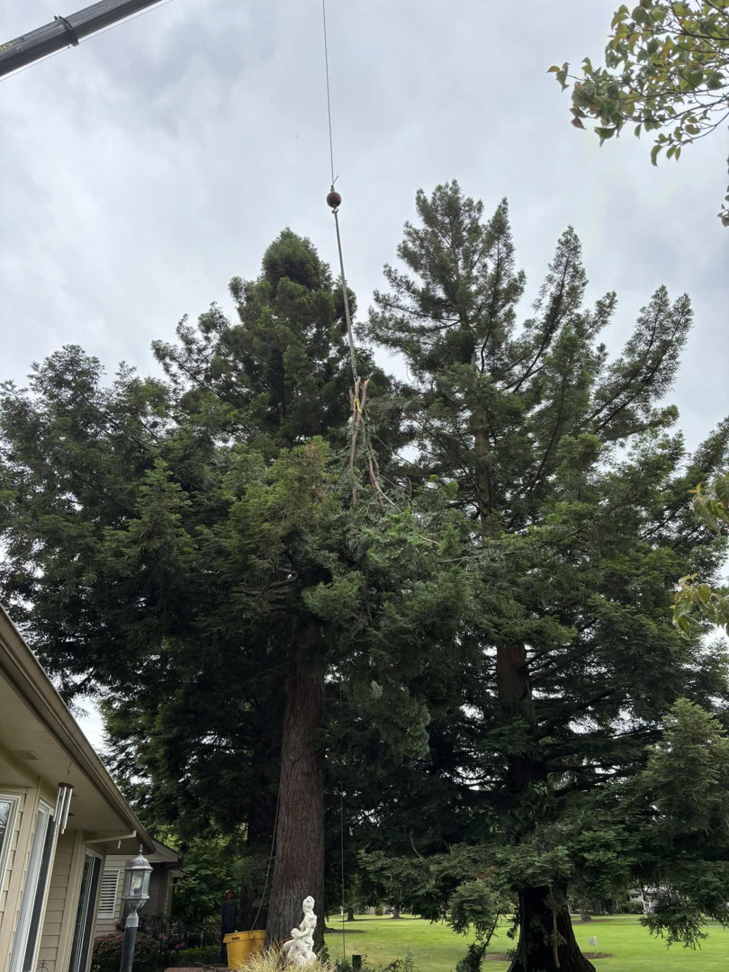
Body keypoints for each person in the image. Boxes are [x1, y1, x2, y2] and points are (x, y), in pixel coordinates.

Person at [220, 889, 238, 964]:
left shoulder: (235, 905)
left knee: (231, 943)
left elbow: (237, 915)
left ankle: (230, 958)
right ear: (226, 896)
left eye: (231, 894)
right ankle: (222, 958)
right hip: (225, 926)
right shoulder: (224, 905)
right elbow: (221, 915)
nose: (230, 895)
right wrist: (221, 923)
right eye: (229, 894)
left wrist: (236, 925)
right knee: (223, 943)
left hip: (232, 926)